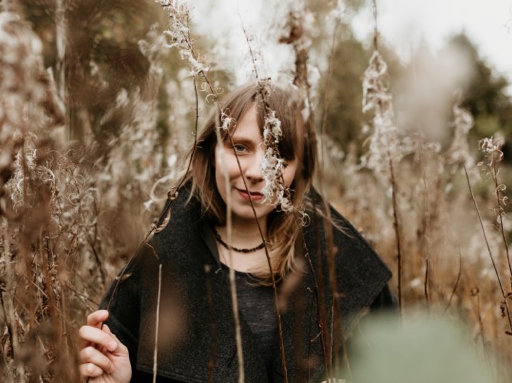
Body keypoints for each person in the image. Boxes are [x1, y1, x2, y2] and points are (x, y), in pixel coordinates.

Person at [78, 80, 395, 383]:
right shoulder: (158, 265)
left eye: (279, 156)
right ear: (211, 152)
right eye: (240, 147)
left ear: (300, 170)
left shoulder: (344, 267)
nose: (257, 172)